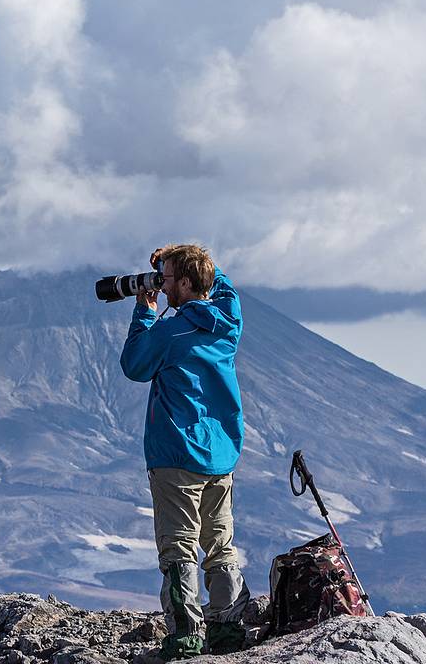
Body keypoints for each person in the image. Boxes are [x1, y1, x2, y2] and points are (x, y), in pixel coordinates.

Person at [120, 244, 251, 659]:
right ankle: (228, 633)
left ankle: (186, 638)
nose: (162, 283)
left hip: (177, 455)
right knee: (221, 545)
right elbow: (225, 289)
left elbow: (135, 366)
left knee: (178, 549)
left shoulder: (171, 332)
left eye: (168, 276)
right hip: (221, 456)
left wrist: (144, 310)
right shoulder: (228, 322)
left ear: (187, 282)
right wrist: (197, 263)